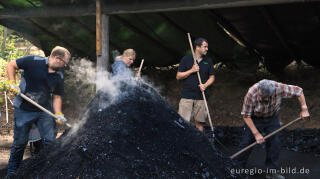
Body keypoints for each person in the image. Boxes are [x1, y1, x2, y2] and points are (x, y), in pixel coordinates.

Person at [6, 46, 71, 178]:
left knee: (50, 141)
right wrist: (12, 83)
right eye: (65, 63)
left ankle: (47, 171)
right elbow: (11, 64)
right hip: (24, 109)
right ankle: (12, 172)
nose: (65, 66)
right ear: (57, 59)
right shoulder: (33, 61)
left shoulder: (59, 76)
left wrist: (58, 113)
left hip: (44, 111)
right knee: (19, 143)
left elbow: (57, 96)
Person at [236, 79, 310, 179]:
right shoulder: (251, 93)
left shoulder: (279, 88)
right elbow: (246, 115)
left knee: (274, 143)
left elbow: (299, 91)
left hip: (271, 118)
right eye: (261, 95)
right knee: (246, 142)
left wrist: (304, 108)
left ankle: (271, 171)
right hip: (254, 119)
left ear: (273, 93)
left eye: (266, 97)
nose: (263, 98)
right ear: (258, 90)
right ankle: (237, 170)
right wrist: (256, 133)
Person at [176, 38, 215, 132]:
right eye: (205, 47)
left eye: (207, 47)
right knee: (183, 123)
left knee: (200, 123)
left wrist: (205, 85)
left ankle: (199, 144)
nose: (207, 49)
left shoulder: (208, 61)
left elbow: (212, 77)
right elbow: (178, 76)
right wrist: (192, 70)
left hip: (201, 96)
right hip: (186, 96)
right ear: (197, 47)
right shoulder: (186, 59)